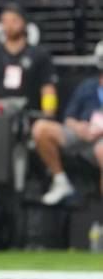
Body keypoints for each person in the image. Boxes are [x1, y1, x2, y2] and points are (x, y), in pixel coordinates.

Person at [31, 42, 103, 204]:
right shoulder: (88, 87)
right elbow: (69, 118)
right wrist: (79, 127)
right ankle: (60, 181)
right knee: (41, 128)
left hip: (101, 141)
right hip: (81, 135)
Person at [0, 3, 58, 117]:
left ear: (24, 22)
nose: (9, 25)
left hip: (30, 114)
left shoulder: (39, 55)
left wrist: (48, 115)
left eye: (14, 20)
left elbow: (48, 87)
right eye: (5, 21)